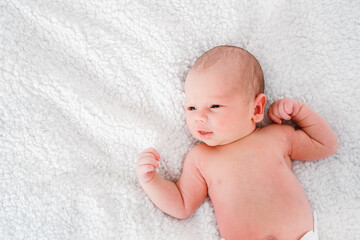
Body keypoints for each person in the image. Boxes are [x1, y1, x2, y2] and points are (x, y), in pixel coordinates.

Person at [136, 45, 338, 240]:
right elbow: (181, 204)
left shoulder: (276, 137)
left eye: (214, 105)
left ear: (257, 109)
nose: (199, 117)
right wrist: (151, 181)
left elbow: (325, 145)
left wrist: (300, 112)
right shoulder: (200, 158)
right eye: (191, 108)